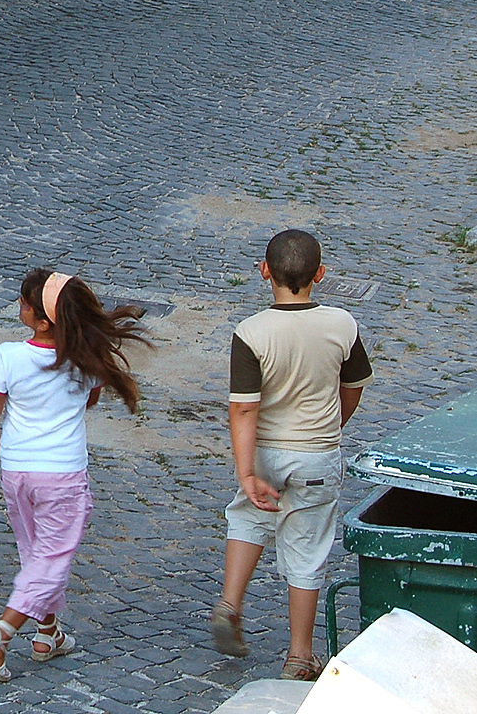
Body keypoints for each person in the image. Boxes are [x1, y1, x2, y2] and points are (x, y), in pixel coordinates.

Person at [0, 270, 148, 682]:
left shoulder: (8, 357)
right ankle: (0, 634)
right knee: (49, 559)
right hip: (63, 475)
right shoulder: (86, 360)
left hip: (17, 473)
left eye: (25, 303)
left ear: (42, 320)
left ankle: (47, 634)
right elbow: (89, 400)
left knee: (35, 554)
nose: (20, 306)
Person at [211, 230, 371, 682]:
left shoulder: (251, 333)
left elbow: (243, 406)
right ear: (319, 275)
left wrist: (247, 473)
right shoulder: (342, 324)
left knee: (247, 516)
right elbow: (353, 385)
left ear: (265, 271)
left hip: (266, 453)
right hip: (317, 454)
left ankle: (230, 603)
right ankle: (300, 656)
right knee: (307, 549)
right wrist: (334, 423)